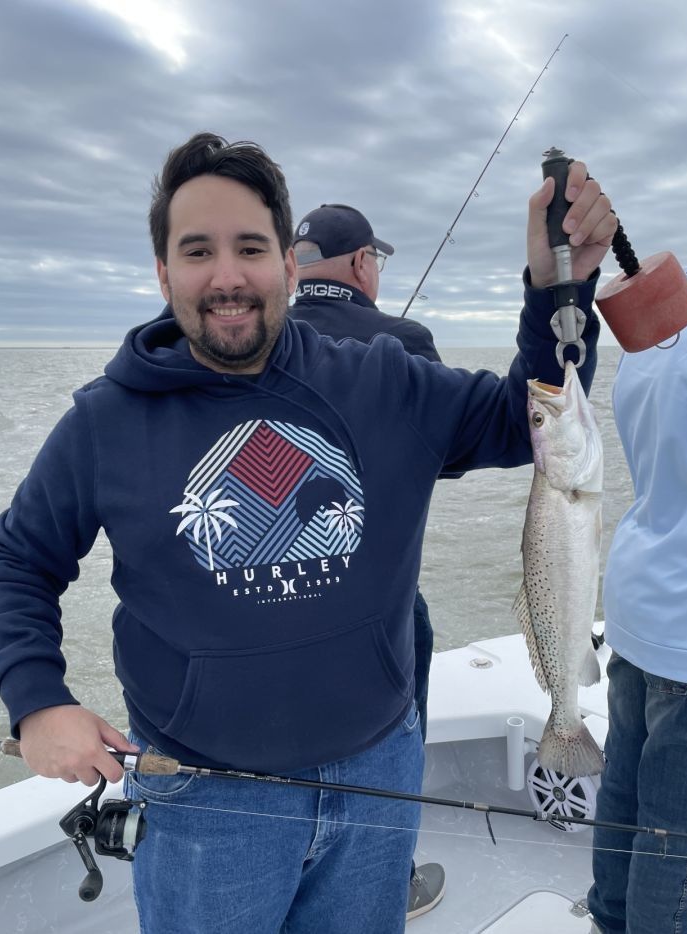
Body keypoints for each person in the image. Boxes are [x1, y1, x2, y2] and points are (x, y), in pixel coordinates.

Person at [0, 131, 615, 934]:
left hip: (378, 771)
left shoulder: (387, 381)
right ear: (163, 271)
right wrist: (38, 703)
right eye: (198, 250)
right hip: (205, 795)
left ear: (285, 261)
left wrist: (558, 288)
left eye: (250, 247)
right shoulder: (106, 420)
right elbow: (15, 561)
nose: (228, 275)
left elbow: (535, 421)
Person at [588, 176, 687, 934]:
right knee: (676, 841)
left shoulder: (648, 344)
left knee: (625, 799)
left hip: (642, 608)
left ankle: (607, 922)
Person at [289, 202, 447, 920]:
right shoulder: (403, 339)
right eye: (377, 260)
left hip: (267, 602)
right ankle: (392, 868)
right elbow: (443, 457)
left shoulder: (258, 337)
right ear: (361, 264)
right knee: (404, 678)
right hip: (378, 611)